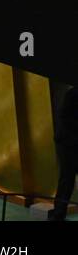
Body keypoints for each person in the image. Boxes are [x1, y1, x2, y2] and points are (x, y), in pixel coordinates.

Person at [51, 85, 78, 220]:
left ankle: (58, 213)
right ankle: (58, 214)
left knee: (66, 180)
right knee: (67, 180)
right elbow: (64, 117)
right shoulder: (73, 93)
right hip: (68, 143)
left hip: (69, 140)